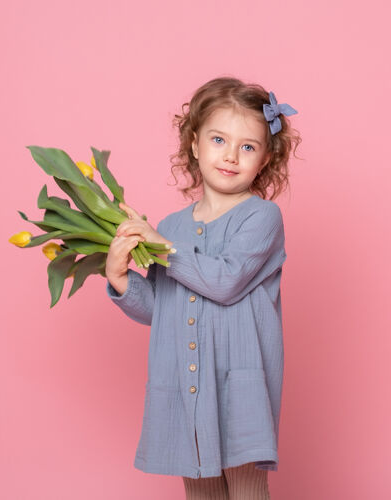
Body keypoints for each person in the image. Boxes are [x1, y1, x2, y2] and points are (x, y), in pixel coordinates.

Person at [104, 76, 301, 499]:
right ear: (194, 144)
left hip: (240, 384)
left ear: (265, 159)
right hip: (184, 383)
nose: (230, 156)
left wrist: (163, 248)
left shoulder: (261, 218)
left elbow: (227, 281)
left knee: (246, 487)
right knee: (201, 490)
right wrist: (121, 281)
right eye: (218, 140)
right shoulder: (172, 227)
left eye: (247, 146)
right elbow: (162, 309)